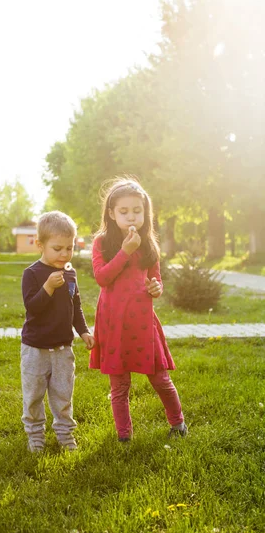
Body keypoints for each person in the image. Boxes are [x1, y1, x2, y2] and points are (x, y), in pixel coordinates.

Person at [89, 177, 188, 441]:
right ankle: (124, 436)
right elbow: (102, 277)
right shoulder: (102, 243)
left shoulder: (148, 244)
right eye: (124, 211)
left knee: (160, 379)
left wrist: (157, 287)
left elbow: (155, 280)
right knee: (120, 386)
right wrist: (124, 251)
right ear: (111, 214)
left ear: (146, 213)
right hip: (114, 323)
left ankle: (178, 424)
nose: (131, 216)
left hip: (143, 323)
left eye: (137, 211)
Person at [21, 210, 95, 453]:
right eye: (57, 248)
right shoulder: (32, 274)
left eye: (69, 248)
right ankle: (35, 434)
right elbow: (33, 308)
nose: (64, 254)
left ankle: (64, 433)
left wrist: (83, 331)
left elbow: (76, 306)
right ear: (40, 245)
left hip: (63, 348)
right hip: (35, 349)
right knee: (33, 395)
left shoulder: (70, 273)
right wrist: (48, 287)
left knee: (63, 395)